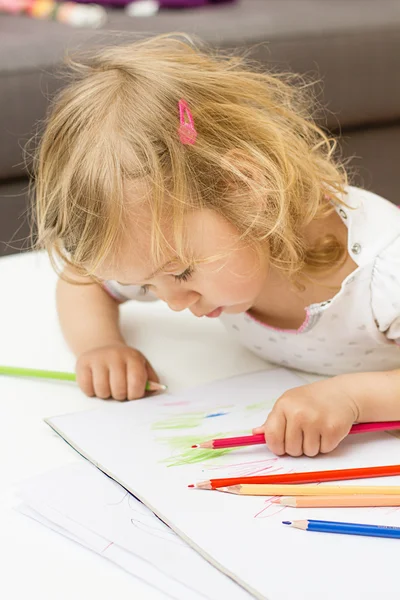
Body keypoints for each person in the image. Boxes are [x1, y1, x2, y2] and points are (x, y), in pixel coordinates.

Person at [33, 34, 400, 457]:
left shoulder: (381, 274)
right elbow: (83, 281)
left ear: (244, 188)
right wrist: (101, 346)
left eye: (181, 273)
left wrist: (353, 399)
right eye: (148, 286)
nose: (171, 302)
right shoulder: (172, 246)